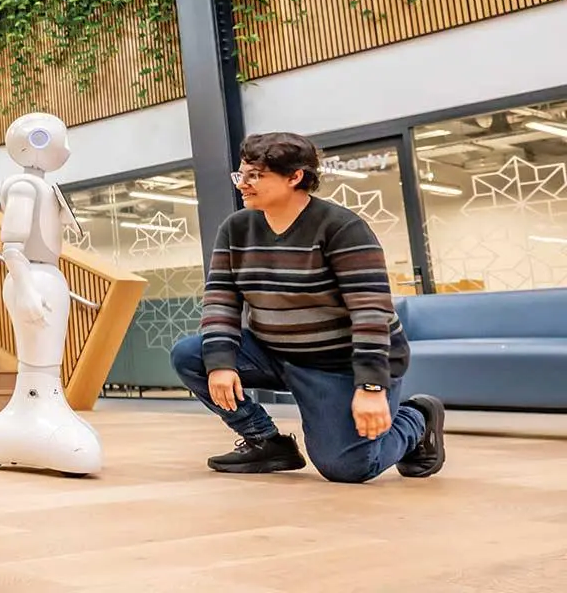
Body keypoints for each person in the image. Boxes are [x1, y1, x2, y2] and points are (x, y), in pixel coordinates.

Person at [170, 132, 446, 483]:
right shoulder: (236, 229)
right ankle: (266, 442)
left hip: (340, 365)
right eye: (241, 174)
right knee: (192, 355)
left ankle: (416, 417)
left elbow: (371, 313)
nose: (244, 184)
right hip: (274, 353)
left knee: (348, 468)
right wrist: (221, 362)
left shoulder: (342, 228)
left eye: (256, 175)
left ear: (294, 177)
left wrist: (372, 386)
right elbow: (221, 298)